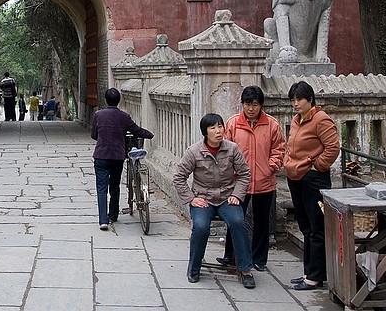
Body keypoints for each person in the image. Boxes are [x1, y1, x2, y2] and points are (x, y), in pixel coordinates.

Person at [173, 113, 256, 289]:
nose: (218, 131)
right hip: (203, 199)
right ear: (205, 132)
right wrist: (191, 199)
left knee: (238, 222)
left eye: (220, 126)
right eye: (213, 128)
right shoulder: (194, 151)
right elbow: (179, 177)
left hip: (227, 198)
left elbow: (244, 174)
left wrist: (237, 195)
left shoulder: (232, 149)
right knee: (201, 227)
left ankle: (246, 269)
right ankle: (194, 267)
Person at [218, 85, 285, 272]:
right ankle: (230, 256)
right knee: (235, 219)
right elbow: (225, 150)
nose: (251, 108)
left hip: (265, 181)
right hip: (239, 182)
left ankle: (259, 259)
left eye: (255, 104)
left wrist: (271, 166)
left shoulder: (271, 124)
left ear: (261, 105)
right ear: (242, 104)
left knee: (262, 222)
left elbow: (279, 149)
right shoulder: (233, 124)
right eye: (247, 104)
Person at [284, 80, 340, 291]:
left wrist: (318, 166)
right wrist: (288, 161)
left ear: (310, 99)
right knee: (305, 227)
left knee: (317, 227)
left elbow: (333, 147)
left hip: (313, 178)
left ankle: (315, 277)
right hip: (296, 176)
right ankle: (309, 272)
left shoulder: (320, 119)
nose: (296, 104)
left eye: (299, 99)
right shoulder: (297, 120)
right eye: (293, 100)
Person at [90, 88, 153, 230]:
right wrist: (149, 134)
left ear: (106, 100)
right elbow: (136, 130)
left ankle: (103, 221)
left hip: (101, 155)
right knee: (114, 186)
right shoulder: (124, 116)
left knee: (101, 188)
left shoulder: (98, 115)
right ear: (119, 100)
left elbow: (94, 135)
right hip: (117, 156)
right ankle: (113, 215)